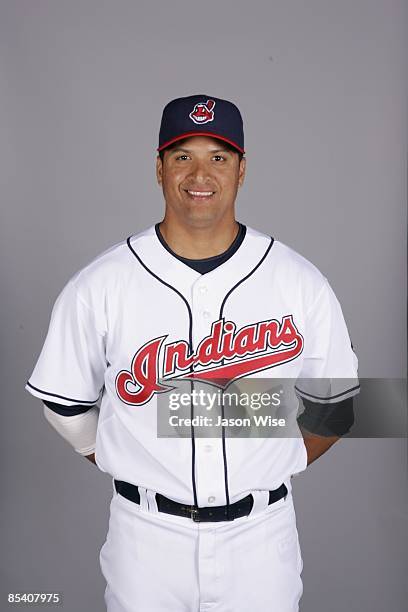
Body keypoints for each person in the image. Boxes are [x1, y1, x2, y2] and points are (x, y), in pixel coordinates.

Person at [25, 94, 359, 612]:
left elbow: (335, 405)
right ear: (158, 168)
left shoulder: (298, 281)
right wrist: (127, 452)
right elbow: (64, 405)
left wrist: (276, 456)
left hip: (261, 540)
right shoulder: (102, 283)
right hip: (145, 541)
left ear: (242, 170)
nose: (200, 173)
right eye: (183, 156)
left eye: (218, 157)